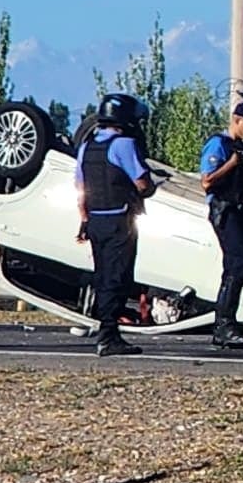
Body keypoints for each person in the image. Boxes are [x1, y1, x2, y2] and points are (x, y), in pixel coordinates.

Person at [77, 92, 158, 357]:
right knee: (118, 277)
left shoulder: (87, 146)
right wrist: (149, 188)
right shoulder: (123, 144)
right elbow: (142, 183)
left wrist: (84, 219)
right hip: (119, 219)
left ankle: (106, 330)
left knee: (102, 276)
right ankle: (109, 335)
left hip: (95, 220)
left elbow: (80, 186)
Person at [196, 99, 243, 350]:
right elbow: (207, 181)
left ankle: (227, 322)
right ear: (238, 121)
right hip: (224, 211)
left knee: (240, 266)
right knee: (238, 264)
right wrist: (231, 164)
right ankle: (224, 324)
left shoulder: (242, 149)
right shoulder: (219, 144)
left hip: (241, 210)